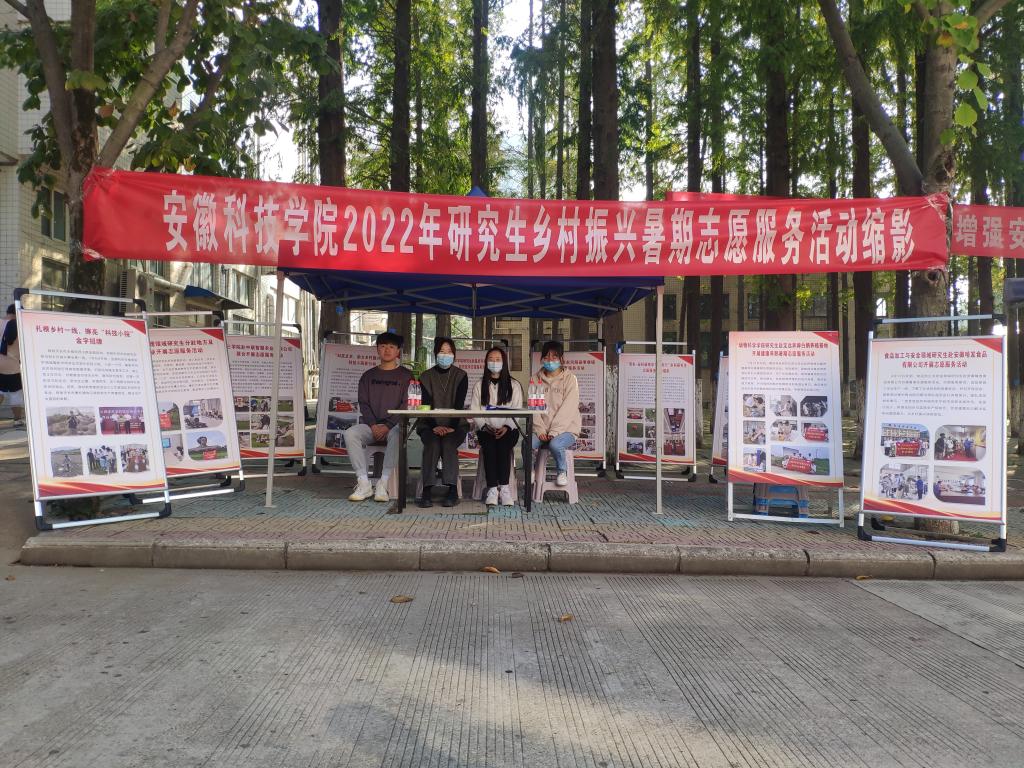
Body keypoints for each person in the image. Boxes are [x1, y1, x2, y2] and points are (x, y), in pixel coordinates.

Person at [344, 331, 413, 503]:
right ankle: (363, 483)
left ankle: (383, 483)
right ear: (377, 349)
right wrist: (374, 425)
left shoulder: (406, 376)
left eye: (391, 347)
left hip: (394, 426)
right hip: (371, 426)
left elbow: (406, 404)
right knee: (350, 434)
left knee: (397, 433)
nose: (387, 350)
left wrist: (388, 426)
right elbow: (364, 403)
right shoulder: (368, 376)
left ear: (398, 351)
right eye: (382, 346)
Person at [416, 337, 469, 508]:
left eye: (449, 352)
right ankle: (427, 490)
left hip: (456, 425)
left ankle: (452, 490)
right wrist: (435, 426)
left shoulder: (461, 376)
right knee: (432, 444)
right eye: (442, 351)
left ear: (454, 354)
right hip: (429, 424)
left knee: (448, 443)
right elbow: (425, 406)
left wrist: (451, 427)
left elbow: (459, 405)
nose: (445, 355)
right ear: (435, 353)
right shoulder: (425, 376)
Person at [471, 346, 522, 506]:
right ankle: (492, 489)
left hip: (509, 429)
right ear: (486, 362)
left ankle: (505, 489)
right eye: (491, 359)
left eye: (498, 359)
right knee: (490, 446)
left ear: (504, 362)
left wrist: (506, 427)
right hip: (486, 430)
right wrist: (485, 426)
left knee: (503, 445)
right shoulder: (479, 385)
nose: (494, 362)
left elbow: (517, 410)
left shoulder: (514, 385)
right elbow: (475, 410)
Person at [532, 340, 581, 488]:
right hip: (542, 430)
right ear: (542, 359)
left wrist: (554, 431)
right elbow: (534, 408)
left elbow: (568, 409)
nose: (550, 360)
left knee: (555, 444)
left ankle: (562, 471)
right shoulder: (535, 379)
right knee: (528, 443)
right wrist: (540, 430)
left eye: (554, 356)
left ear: (561, 359)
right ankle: (532, 470)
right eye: (546, 357)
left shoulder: (570, 379)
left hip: (566, 430)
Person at [0, 305, 25, 428]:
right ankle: (17, 420)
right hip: (13, 366)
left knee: (1, 391)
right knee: (16, 393)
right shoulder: (19, 325)